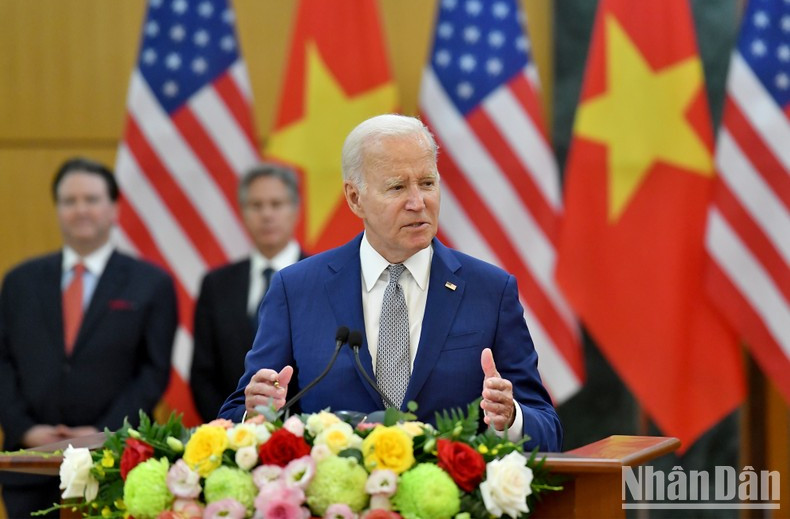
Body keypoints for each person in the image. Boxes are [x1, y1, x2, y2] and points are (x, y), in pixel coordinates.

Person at [219, 115, 562, 451]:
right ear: (355, 198)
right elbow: (234, 416)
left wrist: (510, 418)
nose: (418, 202)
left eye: (427, 183)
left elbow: (547, 428)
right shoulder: (296, 290)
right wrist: (258, 412)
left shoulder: (490, 291)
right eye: (397, 187)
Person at [0, 158, 178, 516]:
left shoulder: (150, 283)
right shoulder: (20, 281)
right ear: (57, 209)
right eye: (70, 201)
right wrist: (26, 428)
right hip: (28, 463)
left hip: (113, 462)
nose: (81, 210)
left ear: (114, 208)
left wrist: (102, 431)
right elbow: (3, 362)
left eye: (92, 199)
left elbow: (153, 372)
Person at [190, 164, 308, 422]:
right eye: (256, 205)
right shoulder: (216, 284)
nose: (266, 214)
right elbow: (203, 374)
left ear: (296, 210)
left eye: (276, 204)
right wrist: (233, 427)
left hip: (308, 431)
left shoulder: (320, 278)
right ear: (242, 213)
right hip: (233, 432)